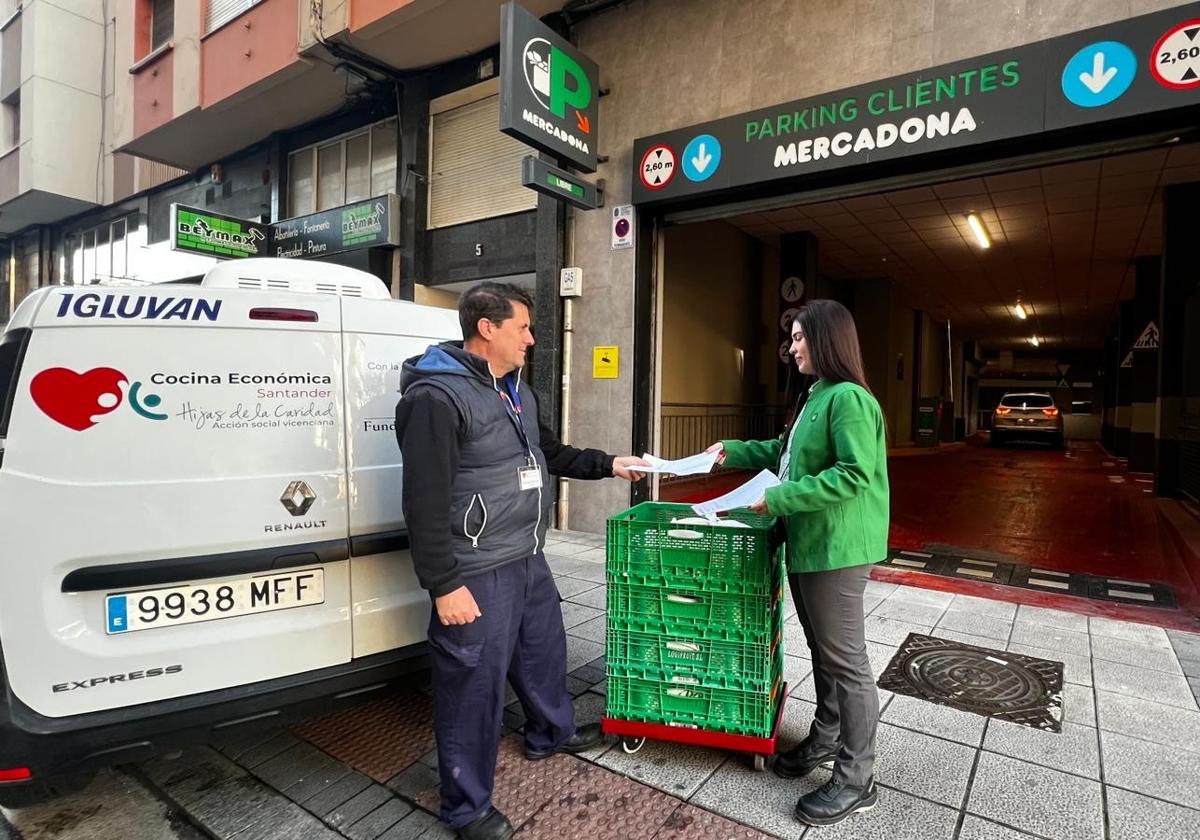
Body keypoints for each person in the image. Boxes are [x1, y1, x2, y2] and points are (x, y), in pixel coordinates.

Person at [395, 281, 647, 840]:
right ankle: (466, 807)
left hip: (526, 553)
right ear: (488, 328)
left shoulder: (516, 391)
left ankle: (548, 733)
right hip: (476, 566)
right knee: (473, 685)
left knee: (542, 650)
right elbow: (423, 501)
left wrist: (611, 464)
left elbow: (547, 453)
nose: (532, 339)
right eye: (523, 328)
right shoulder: (435, 398)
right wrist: (443, 584)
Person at [708, 298, 889, 827]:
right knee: (825, 652)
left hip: (836, 549)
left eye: (800, 337)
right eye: (792, 339)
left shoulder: (850, 399)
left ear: (827, 340)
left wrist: (779, 500)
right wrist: (733, 452)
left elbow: (855, 473)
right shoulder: (816, 395)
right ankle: (826, 740)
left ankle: (858, 779)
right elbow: (786, 455)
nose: (792, 348)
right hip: (809, 544)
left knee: (847, 663)